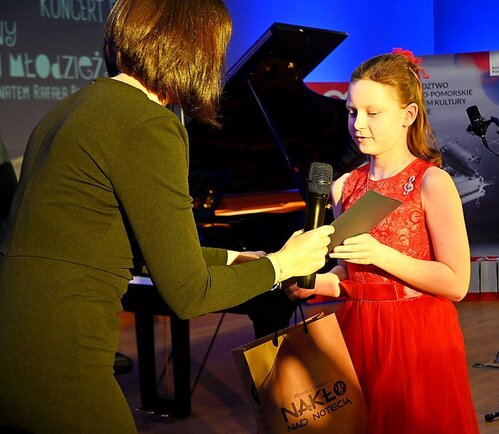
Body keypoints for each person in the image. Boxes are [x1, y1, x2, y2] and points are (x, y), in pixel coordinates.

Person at [0, 1, 333, 433]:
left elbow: (127, 246)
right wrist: (284, 265)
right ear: (194, 49)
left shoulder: (69, 109)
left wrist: (234, 258)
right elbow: (189, 294)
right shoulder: (147, 124)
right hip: (65, 359)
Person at [286, 49, 479, 433]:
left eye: (373, 113)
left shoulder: (431, 182)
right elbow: (350, 271)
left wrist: (381, 254)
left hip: (419, 334)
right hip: (358, 329)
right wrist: (317, 283)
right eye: (352, 112)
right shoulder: (344, 186)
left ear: (408, 115)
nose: (358, 124)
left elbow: (457, 283)